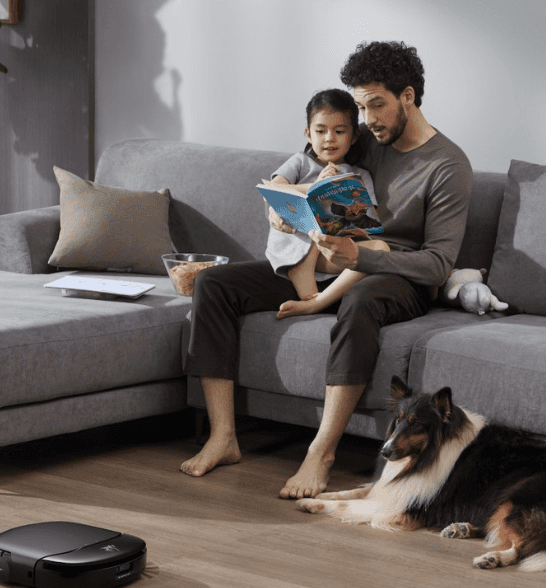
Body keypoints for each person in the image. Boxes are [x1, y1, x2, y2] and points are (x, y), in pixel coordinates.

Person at [181, 40, 473, 499]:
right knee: (215, 284)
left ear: (409, 97)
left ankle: (321, 453)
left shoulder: (448, 166)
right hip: (324, 259)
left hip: (396, 277)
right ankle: (223, 436)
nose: (368, 119)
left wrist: (364, 257)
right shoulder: (365, 140)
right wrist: (279, 208)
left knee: (358, 302)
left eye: (377, 105)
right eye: (361, 107)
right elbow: (303, 163)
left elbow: (437, 264)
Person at [265, 89, 391, 319]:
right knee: (308, 209)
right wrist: (311, 188)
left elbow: (366, 224)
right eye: (320, 131)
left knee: (381, 249)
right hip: (294, 247)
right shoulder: (301, 162)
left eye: (339, 131)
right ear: (308, 133)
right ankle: (300, 266)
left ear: (353, 136)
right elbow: (272, 188)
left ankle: (323, 300)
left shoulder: (360, 175)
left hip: (331, 253)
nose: (329, 138)